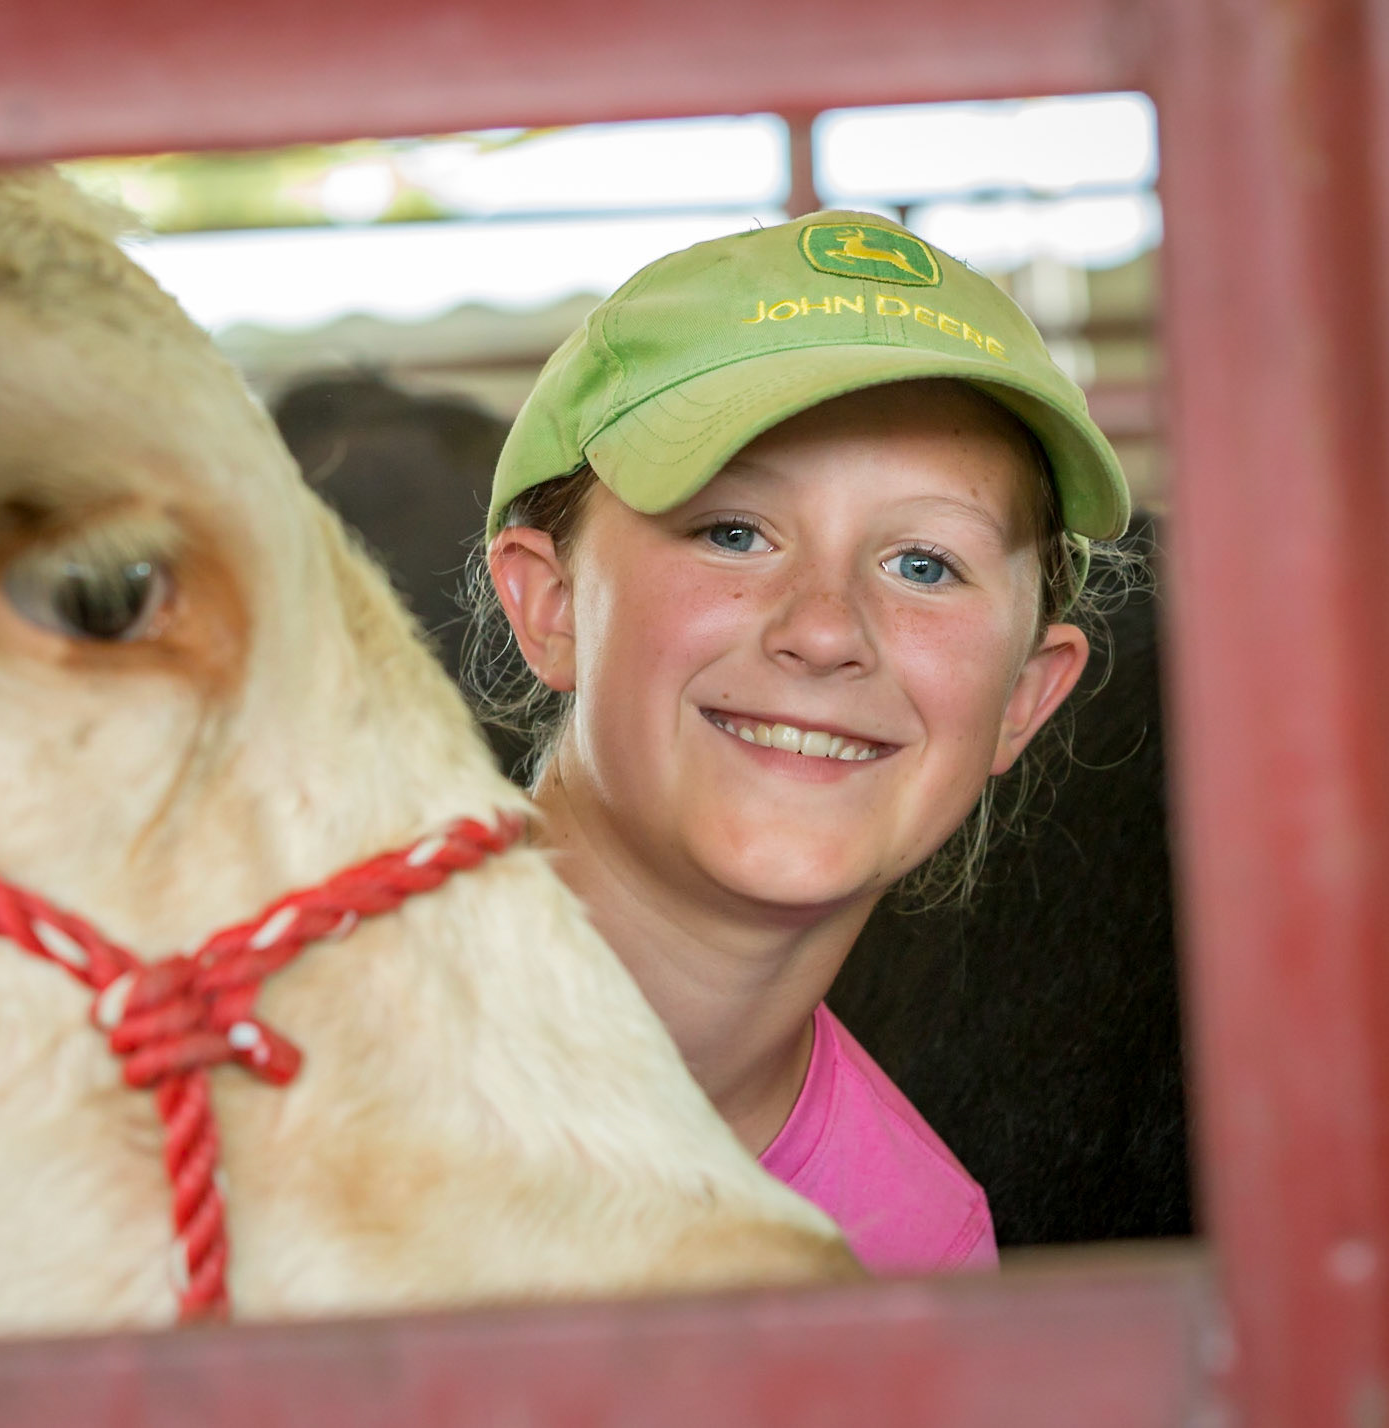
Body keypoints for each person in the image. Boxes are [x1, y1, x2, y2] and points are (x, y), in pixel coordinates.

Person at [469, 210, 1130, 1275]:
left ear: (1022, 696)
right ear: (550, 606)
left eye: (923, 564)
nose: (824, 630)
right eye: (733, 533)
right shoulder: (241, 1044)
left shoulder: (914, 1253)